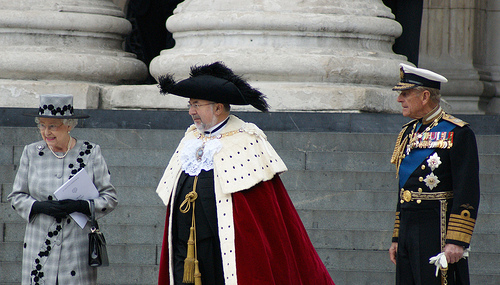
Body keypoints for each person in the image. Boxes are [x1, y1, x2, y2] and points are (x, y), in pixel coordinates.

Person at [155, 61, 335, 285]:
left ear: (218, 107)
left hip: (225, 250)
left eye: (197, 104)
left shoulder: (246, 140)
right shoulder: (190, 138)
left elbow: (262, 215)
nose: (191, 111)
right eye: (190, 105)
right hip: (185, 248)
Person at [8, 94, 118, 285]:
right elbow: (16, 196)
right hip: (39, 245)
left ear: (69, 125)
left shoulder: (91, 152)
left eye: (53, 126)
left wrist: (82, 205)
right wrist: (39, 206)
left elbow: (109, 198)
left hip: (76, 247)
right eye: (42, 125)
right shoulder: (31, 152)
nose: (46, 132)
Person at [388, 63, 480, 285]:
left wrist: (457, 240)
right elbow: (404, 190)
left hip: (436, 230)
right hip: (408, 231)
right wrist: (397, 237)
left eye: (405, 93)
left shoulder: (458, 133)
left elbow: (466, 190)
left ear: (425, 96)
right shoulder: (407, 132)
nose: (400, 99)